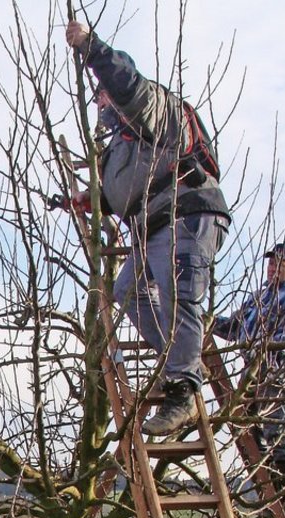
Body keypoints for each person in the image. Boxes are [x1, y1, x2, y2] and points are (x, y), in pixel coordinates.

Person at [65, 21, 230, 436]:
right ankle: (180, 362)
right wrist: (89, 200)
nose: (101, 102)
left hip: (184, 213)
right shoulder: (122, 143)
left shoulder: (152, 107)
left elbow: (126, 84)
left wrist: (91, 48)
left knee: (179, 296)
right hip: (150, 221)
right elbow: (120, 191)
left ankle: (183, 390)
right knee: (127, 291)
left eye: (104, 95)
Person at [212, 243, 285, 518]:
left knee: (276, 430)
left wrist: (272, 356)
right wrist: (206, 321)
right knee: (247, 429)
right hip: (250, 372)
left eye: (279, 265)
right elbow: (234, 328)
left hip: (273, 372)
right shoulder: (258, 298)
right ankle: (270, 496)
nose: (272, 269)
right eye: (270, 264)